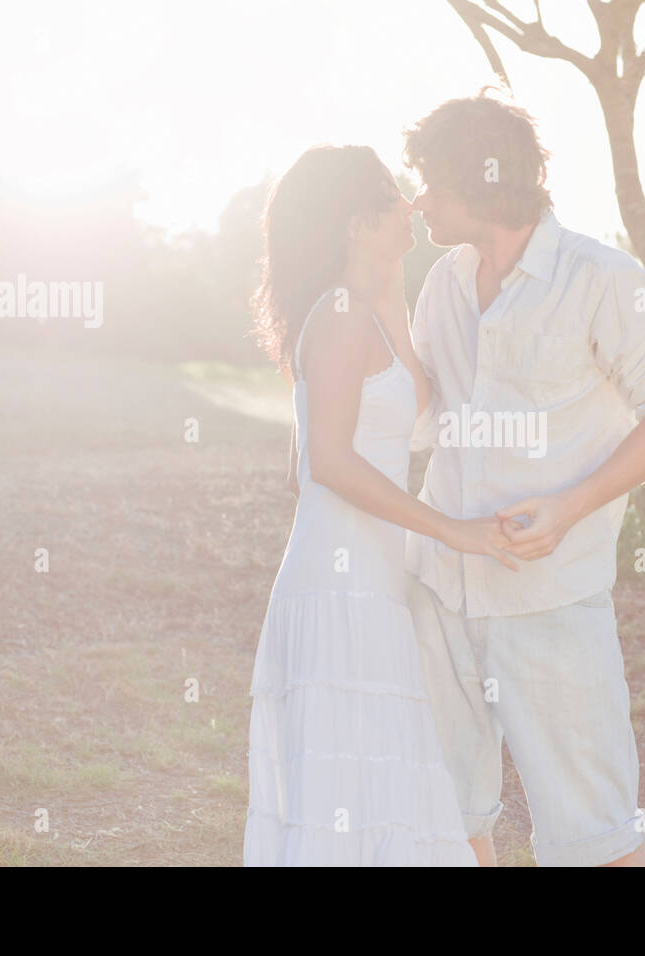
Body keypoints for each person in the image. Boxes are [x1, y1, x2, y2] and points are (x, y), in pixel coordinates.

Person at [402, 93, 645, 867]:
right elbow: (423, 408)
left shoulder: (602, 276)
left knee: (595, 836)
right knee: (449, 820)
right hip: (440, 587)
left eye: (430, 180)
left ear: (480, 179)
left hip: (550, 599)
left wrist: (569, 509)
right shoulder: (441, 282)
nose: (419, 199)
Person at [242, 144, 517, 866]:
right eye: (395, 197)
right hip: (337, 591)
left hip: (371, 588)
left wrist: (389, 280)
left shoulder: (364, 307)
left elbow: (417, 406)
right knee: (350, 809)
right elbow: (324, 461)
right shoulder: (336, 315)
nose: (412, 206)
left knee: (381, 802)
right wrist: (450, 530)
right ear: (358, 221)